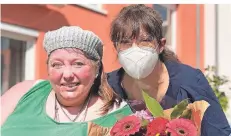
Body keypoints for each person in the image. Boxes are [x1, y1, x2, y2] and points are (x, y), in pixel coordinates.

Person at [107, 4, 231, 136]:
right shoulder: (107, 86)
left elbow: (218, 131)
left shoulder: (191, 80)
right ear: (116, 47)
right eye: (125, 42)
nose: (135, 49)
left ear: (161, 45)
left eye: (144, 41)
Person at [1, 26, 133, 136]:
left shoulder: (120, 117)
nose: (67, 74)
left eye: (78, 64)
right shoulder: (25, 92)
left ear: (96, 69)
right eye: (57, 65)